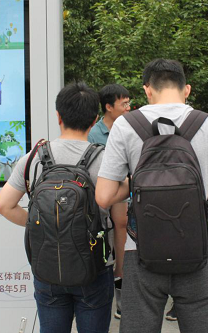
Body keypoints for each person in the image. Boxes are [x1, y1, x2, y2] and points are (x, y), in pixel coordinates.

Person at [95, 58, 208, 333]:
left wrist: (137, 182)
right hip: (198, 251)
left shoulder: (125, 126)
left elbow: (104, 196)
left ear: (147, 89)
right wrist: (202, 181)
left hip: (142, 251)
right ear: (187, 89)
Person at [0, 82, 118, 333]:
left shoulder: (34, 157)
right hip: (94, 267)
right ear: (94, 120)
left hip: (47, 266)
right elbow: (119, 216)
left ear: (58, 116)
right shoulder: (106, 160)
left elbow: (3, 206)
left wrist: (44, 224)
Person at [87, 83, 131, 320]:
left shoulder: (129, 127)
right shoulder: (94, 134)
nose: (128, 108)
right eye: (123, 104)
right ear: (108, 107)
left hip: (123, 188)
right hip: (101, 191)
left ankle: (121, 279)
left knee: (121, 224)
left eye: (128, 103)